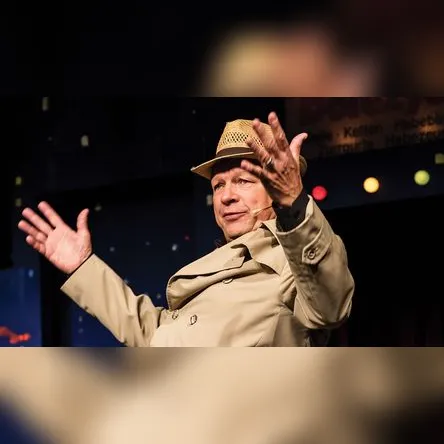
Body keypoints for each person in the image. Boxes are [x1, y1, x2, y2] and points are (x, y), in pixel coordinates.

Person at [18, 111, 354, 346]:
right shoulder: (213, 272)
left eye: (243, 180)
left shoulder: (294, 262)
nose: (226, 196)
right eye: (218, 185)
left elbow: (331, 304)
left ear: (276, 188)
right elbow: (154, 337)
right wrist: (83, 267)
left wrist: (295, 203)